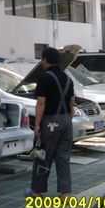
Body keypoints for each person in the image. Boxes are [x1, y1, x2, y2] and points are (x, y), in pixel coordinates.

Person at [29, 47, 74, 197]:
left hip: (50, 121)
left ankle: (37, 191)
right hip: (66, 120)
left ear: (45, 59)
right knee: (63, 158)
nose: (41, 62)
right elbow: (72, 104)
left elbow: (41, 103)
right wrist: (67, 120)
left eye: (42, 59)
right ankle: (65, 193)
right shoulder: (68, 79)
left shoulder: (44, 78)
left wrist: (37, 125)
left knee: (43, 156)